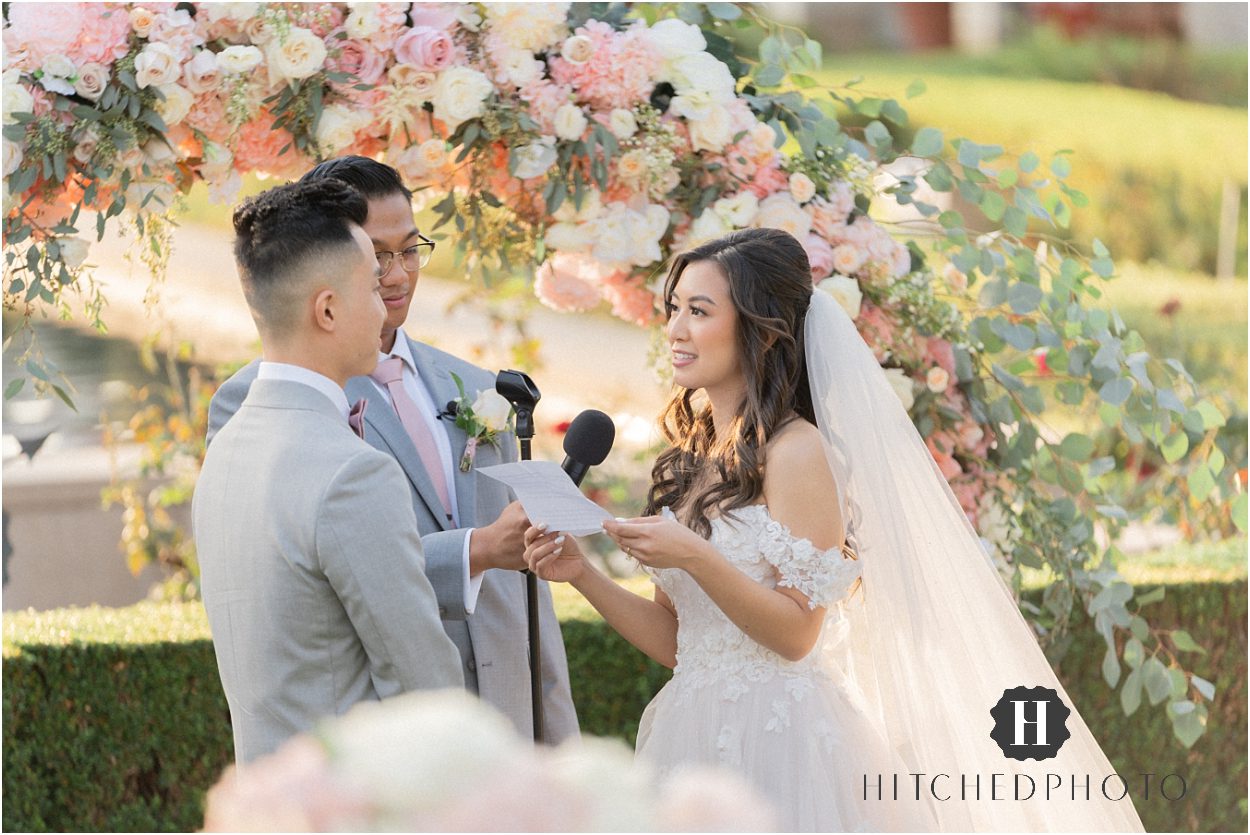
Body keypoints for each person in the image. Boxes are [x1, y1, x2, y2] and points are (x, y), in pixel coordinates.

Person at [525, 228, 1146, 831]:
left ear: (758, 328)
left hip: (780, 744)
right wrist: (581, 574)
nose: (676, 329)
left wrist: (694, 556)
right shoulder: (697, 455)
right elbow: (676, 640)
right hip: (691, 734)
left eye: (698, 310)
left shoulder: (797, 453)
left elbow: (797, 634)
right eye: (674, 308)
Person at [206, 157, 578, 744]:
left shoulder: (482, 387)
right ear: (327, 299)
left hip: (498, 732)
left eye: (410, 250)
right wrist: (475, 551)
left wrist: (553, 744)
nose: (395, 282)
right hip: (391, 764)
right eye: (374, 263)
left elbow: (523, 604)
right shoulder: (265, 417)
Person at [194, 179, 463, 764]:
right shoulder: (351, 473)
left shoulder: (228, 449)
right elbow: (427, 692)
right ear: (328, 309)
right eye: (372, 284)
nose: (387, 299)